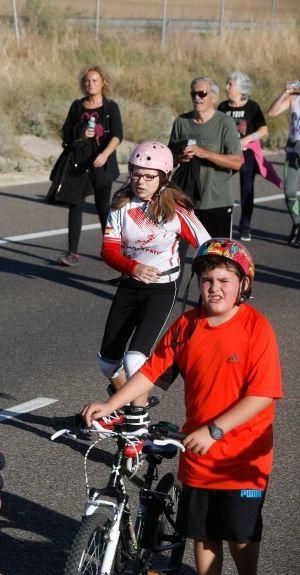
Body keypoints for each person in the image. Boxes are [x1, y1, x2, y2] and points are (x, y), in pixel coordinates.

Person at [83, 239, 282, 575]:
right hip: (199, 450)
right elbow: (149, 373)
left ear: (243, 286)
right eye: (207, 280)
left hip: (244, 455)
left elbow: (262, 395)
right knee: (205, 535)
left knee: (240, 536)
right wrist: (112, 403)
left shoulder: (257, 329)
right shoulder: (187, 326)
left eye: (224, 280)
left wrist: (216, 429)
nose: (215, 288)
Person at [95, 141, 209, 437]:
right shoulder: (122, 205)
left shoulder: (176, 210)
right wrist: (133, 268)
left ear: (163, 178)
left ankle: (138, 422)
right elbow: (107, 251)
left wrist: (212, 280)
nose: (140, 182)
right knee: (107, 362)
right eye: (136, 174)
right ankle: (127, 408)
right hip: (131, 283)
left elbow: (208, 246)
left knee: (135, 358)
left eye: (149, 176)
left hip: (161, 289)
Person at [56, 66, 123, 267]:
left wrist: (104, 154)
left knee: (103, 208)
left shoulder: (110, 108)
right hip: (79, 163)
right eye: (87, 81)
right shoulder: (77, 106)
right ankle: (73, 252)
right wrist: (80, 134)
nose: (91, 84)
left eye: (95, 80)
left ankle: (111, 252)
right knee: (74, 205)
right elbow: (65, 132)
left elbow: (117, 135)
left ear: (103, 83)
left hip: (102, 163)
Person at [169, 77, 243, 238]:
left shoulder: (225, 123)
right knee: (175, 255)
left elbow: (237, 163)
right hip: (185, 200)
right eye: (193, 94)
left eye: (202, 93)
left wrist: (204, 153)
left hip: (217, 202)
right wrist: (180, 157)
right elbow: (168, 160)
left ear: (214, 98)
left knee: (217, 257)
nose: (197, 97)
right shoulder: (181, 122)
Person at [218, 72, 270, 241]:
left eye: (230, 84)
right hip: (227, 154)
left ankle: (245, 226)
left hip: (247, 155)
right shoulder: (223, 107)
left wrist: (247, 139)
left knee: (247, 189)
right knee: (219, 185)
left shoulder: (252, 107)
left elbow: (263, 130)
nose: (227, 87)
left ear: (241, 88)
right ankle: (221, 219)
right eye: (227, 84)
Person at [266, 78, 300, 246]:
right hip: (294, 151)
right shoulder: (294, 98)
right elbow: (272, 112)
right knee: (289, 191)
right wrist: (285, 93)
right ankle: (298, 222)